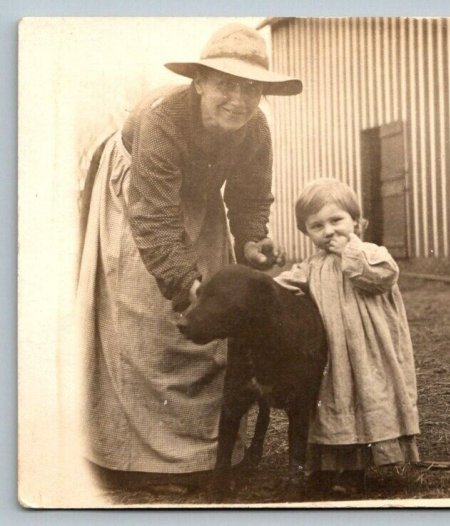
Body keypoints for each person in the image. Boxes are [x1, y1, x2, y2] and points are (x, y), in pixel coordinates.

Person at [76, 23, 301, 491]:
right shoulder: (162, 116)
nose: (238, 100)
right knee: (149, 316)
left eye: (251, 88)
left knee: (211, 323)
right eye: (225, 84)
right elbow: (154, 215)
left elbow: (250, 194)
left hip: (200, 204)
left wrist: (253, 241)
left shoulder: (256, 127)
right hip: (137, 197)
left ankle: (202, 454)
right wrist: (182, 282)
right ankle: (138, 462)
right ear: (199, 81)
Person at [274, 179, 421, 495]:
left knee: (367, 395)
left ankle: (355, 471)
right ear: (307, 232)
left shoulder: (369, 253)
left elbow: (383, 276)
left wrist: (350, 253)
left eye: (336, 220)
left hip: (368, 350)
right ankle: (329, 466)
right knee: (335, 399)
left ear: (357, 221)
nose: (328, 231)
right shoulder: (311, 266)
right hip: (333, 352)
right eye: (317, 225)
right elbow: (281, 288)